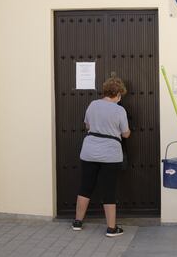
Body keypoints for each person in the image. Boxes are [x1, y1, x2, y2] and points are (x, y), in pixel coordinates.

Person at [72, 77, 131, 237]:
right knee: (109, 190)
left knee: (85, 186)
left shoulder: (93, 105)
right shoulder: (119, 110)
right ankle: (111, 228)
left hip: (89, 151)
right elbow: (125, 133)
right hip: (110, 155)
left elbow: (88, 126)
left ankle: (77, 222)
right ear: (118, 94)